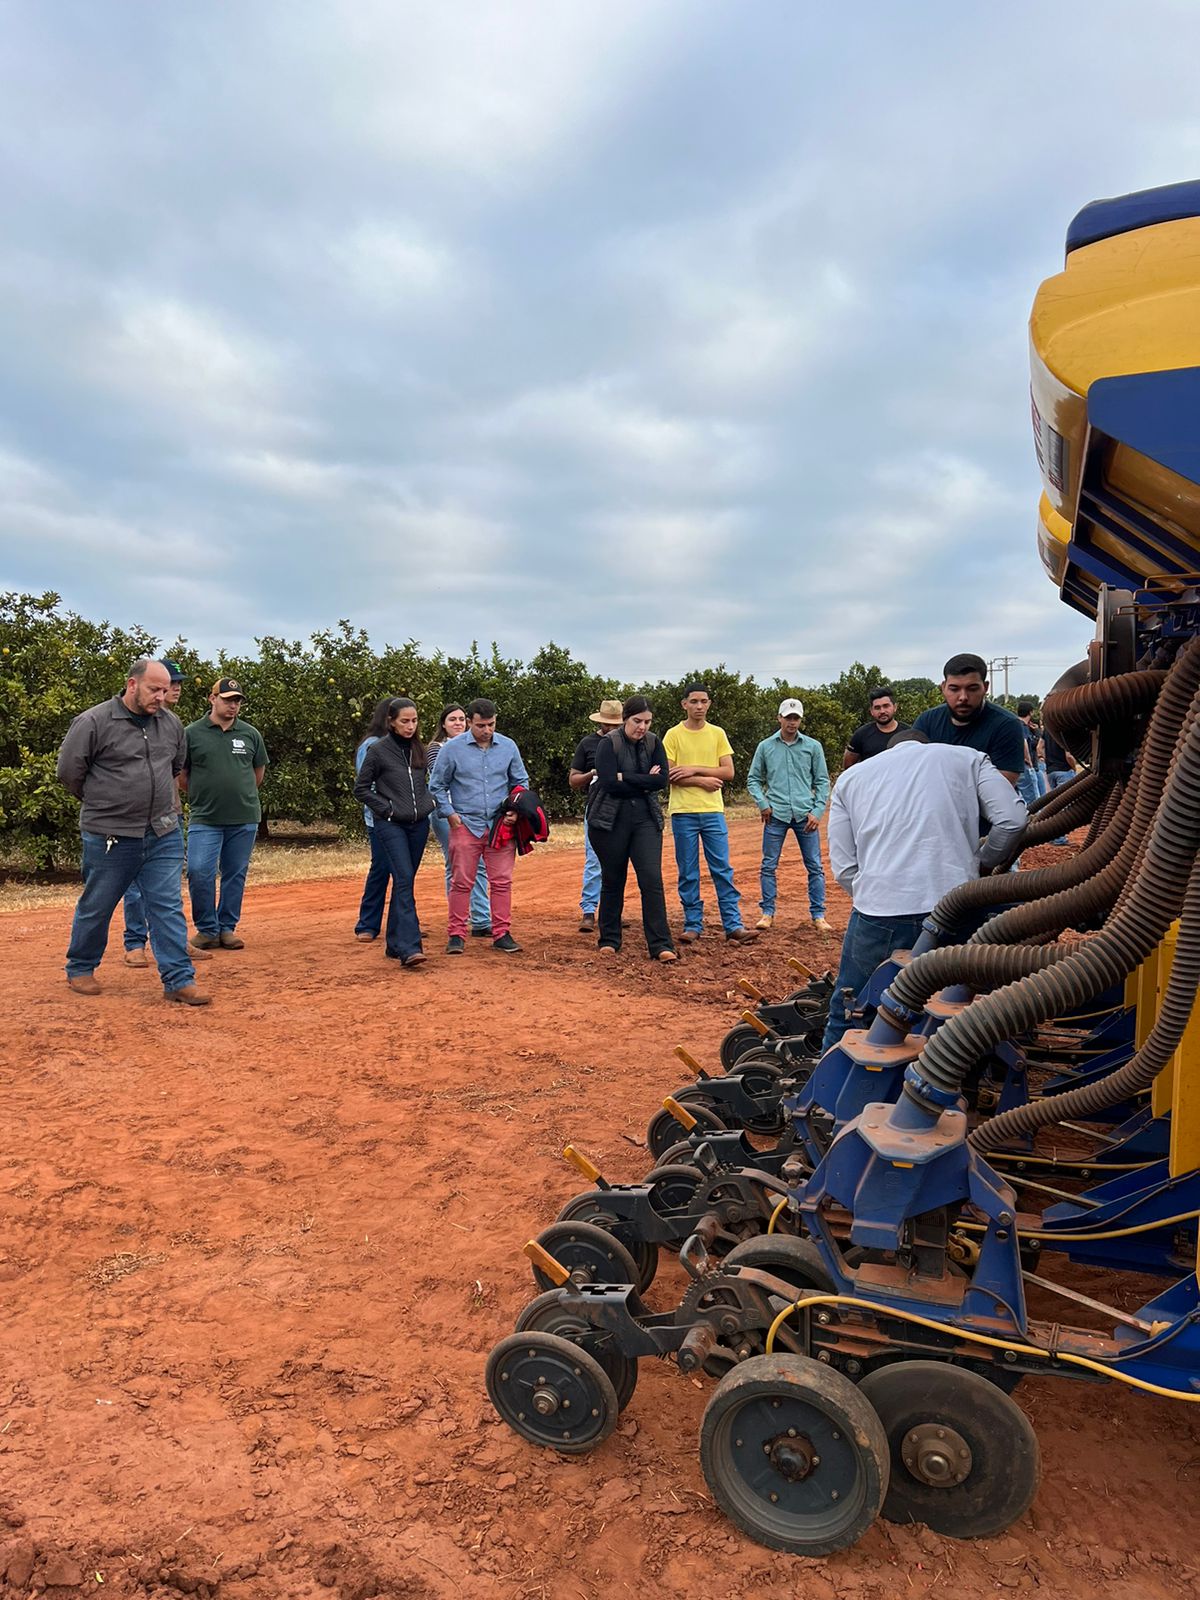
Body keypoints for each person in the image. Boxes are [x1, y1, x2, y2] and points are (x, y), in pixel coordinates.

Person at [822, 730, 1027, 1050]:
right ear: (927, 745)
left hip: (879, 915)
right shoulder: (967, 758)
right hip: (958, 905)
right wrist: (982, 865)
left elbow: (845, 868)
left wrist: (877, 892)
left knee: (850, 1007)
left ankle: (829, 1092)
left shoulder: (852, 778)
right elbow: (1013, 821)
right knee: (962, 1004)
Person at [55, 657, 209, 1004]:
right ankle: (80, 966)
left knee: (167, 904)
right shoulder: (94, 722)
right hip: (110, 834)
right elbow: (69, 772)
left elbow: (174, 767)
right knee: (98, 903)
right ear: (132, 685)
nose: (162, 696)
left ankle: (178, 980)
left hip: (162, 830)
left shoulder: (171, 724)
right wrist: (107, 803)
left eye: (165, 690)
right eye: (155, 689)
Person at [121, 656, 214, 966]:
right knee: (134, 883)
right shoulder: (128, 722)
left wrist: (174, 807)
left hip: (169, 816)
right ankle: (135, 944)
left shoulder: (173, 725)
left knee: (169, 886)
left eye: (177, 684)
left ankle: (174, 942)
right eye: (169, 684)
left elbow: (177, 769)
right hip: (132, 820)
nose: (175, 689)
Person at [428, 698, 529, 955]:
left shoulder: (508, 746)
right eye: (481, 725)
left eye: (491, 724)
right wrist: (449, 814)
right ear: (470, 722)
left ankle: (501, 933)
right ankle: (456, 935)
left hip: (499, 824)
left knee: (502, 881)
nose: (487, 730)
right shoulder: (452, 749)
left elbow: (520, 782)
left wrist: (514, 811)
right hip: (465, 823)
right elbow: (437, 785)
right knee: (461, 881)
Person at [662, 684, 757, 944]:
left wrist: (692, 769)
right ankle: (693, 924)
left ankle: (733, 925)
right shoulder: (673, 735)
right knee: (688, 871)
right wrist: (702, 781)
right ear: (684, 704)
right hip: (683, 813)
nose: (699, 706)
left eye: (704, 701)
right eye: (694, 701)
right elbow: (669, 774)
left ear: (709, 703)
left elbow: (728, 772)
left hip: (713, 812)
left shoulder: (717, 734)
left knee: (722, 869)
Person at [182, 678, 269, 951]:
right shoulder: (191, 734)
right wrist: (201, 795)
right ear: (212, 699)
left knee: (235, 873)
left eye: (237, 701)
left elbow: (257, 774)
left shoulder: (250, 734)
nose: (233, 705)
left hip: (243, 818)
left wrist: (238, 794)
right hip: (205, 817)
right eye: (228, 699)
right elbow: (182, 776)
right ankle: (207, 928)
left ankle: (227, 928)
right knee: (199, 871)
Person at [587, 697, 676, 962]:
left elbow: (661, 781)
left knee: (651, 879)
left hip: (645, 819)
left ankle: (661, 944)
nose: (642, 727)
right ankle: (609, 939)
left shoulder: (654, 742)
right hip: (609, 821)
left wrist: (624, 776)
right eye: (638, 721)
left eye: (647, 722)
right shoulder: (608, 743)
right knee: (613, 879)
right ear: (626, 718)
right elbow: (607, 783)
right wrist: (643, 779)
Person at [352, 697, 436, 967]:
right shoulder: (377, 750)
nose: (410, 726)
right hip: (390, 824)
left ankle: (393, 944)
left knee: (406, 880)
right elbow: (361, 789)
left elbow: (425, 784)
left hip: (418, 825)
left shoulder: (419, 750)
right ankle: (410, 948)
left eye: (414, 721)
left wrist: (429, 803)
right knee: (402, 878)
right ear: (391, 722)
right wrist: (385, 809)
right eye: (404, 721)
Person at [747, 698, 833, 934]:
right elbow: (753, 779)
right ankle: (767, 913)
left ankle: (818, 915)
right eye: (788, 717)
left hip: (806, 815)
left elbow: (822, 780)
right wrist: (763, 803)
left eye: (796, 718)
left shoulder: (812, 747)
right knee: (768, 865)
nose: (792, 722)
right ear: (779, 718)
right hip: (776, 814)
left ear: (800, 720)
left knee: (815, 866)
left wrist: (817, 811)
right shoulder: (765, 747)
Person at [426, 705, 491, 936]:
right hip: (447, 812)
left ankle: (482, 918)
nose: (458, 723)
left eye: (462, 719)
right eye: (452, 719)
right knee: (455, 864)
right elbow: (441, 778)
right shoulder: (436, 748)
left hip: (472, 812)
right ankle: (460, 917)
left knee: (480, 864)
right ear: (442, 724)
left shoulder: (473, 747)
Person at [912, 653, 1025, 783]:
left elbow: (1003, 785)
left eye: (972, 689)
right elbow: (911, 771)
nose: (963, 697)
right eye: (954, 689)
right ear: (943, 688)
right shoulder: (927, 721)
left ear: (985, 687)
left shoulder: (1006, 725)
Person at [569, 697, 624, 933]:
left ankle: (612, 912)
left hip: (625, 806)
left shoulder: (630, 742)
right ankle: (589, 910)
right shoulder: (588, 744)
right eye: (607, 724)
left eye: (615, 725)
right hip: (598, 805)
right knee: (594, 859)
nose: (611, 729)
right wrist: (593, 771)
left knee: (620, 861)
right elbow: (573, 780)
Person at [353, 698, 396, 943]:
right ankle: (367, 924)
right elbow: (365, 784)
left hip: (405, 820)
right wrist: (386, 809)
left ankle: (402, 923)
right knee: (381, 868)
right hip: (380, 820)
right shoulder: (371, 745)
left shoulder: (408, 745)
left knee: (403, 873)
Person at [842, 687, 910, 767]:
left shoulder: (908, 734)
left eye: (886, 706)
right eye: (877, 708)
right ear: (871, 711)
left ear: (894, 707)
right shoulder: (861, 734)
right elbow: (848, 766)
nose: (882, 711)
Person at [1043, 725, 1079, 846]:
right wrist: (1074, 768)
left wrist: (1048, 762)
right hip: (1064, 771)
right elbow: (1068, 755)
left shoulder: (1047, 730)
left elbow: (1039, 748)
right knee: (1063, 806)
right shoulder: (1064, 730)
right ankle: (1059, 838)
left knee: (1055, 805)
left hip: (1051, 771)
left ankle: (1051, 835)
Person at [1015, 702, 1042, 808]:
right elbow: (1024, 742)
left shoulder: (1014, 724)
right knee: (1034, 800)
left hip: (1017, 766)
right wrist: (1029, 761)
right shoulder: (1022, 726)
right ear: (1030, 712)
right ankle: (1036, 822)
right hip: (1026, 766)